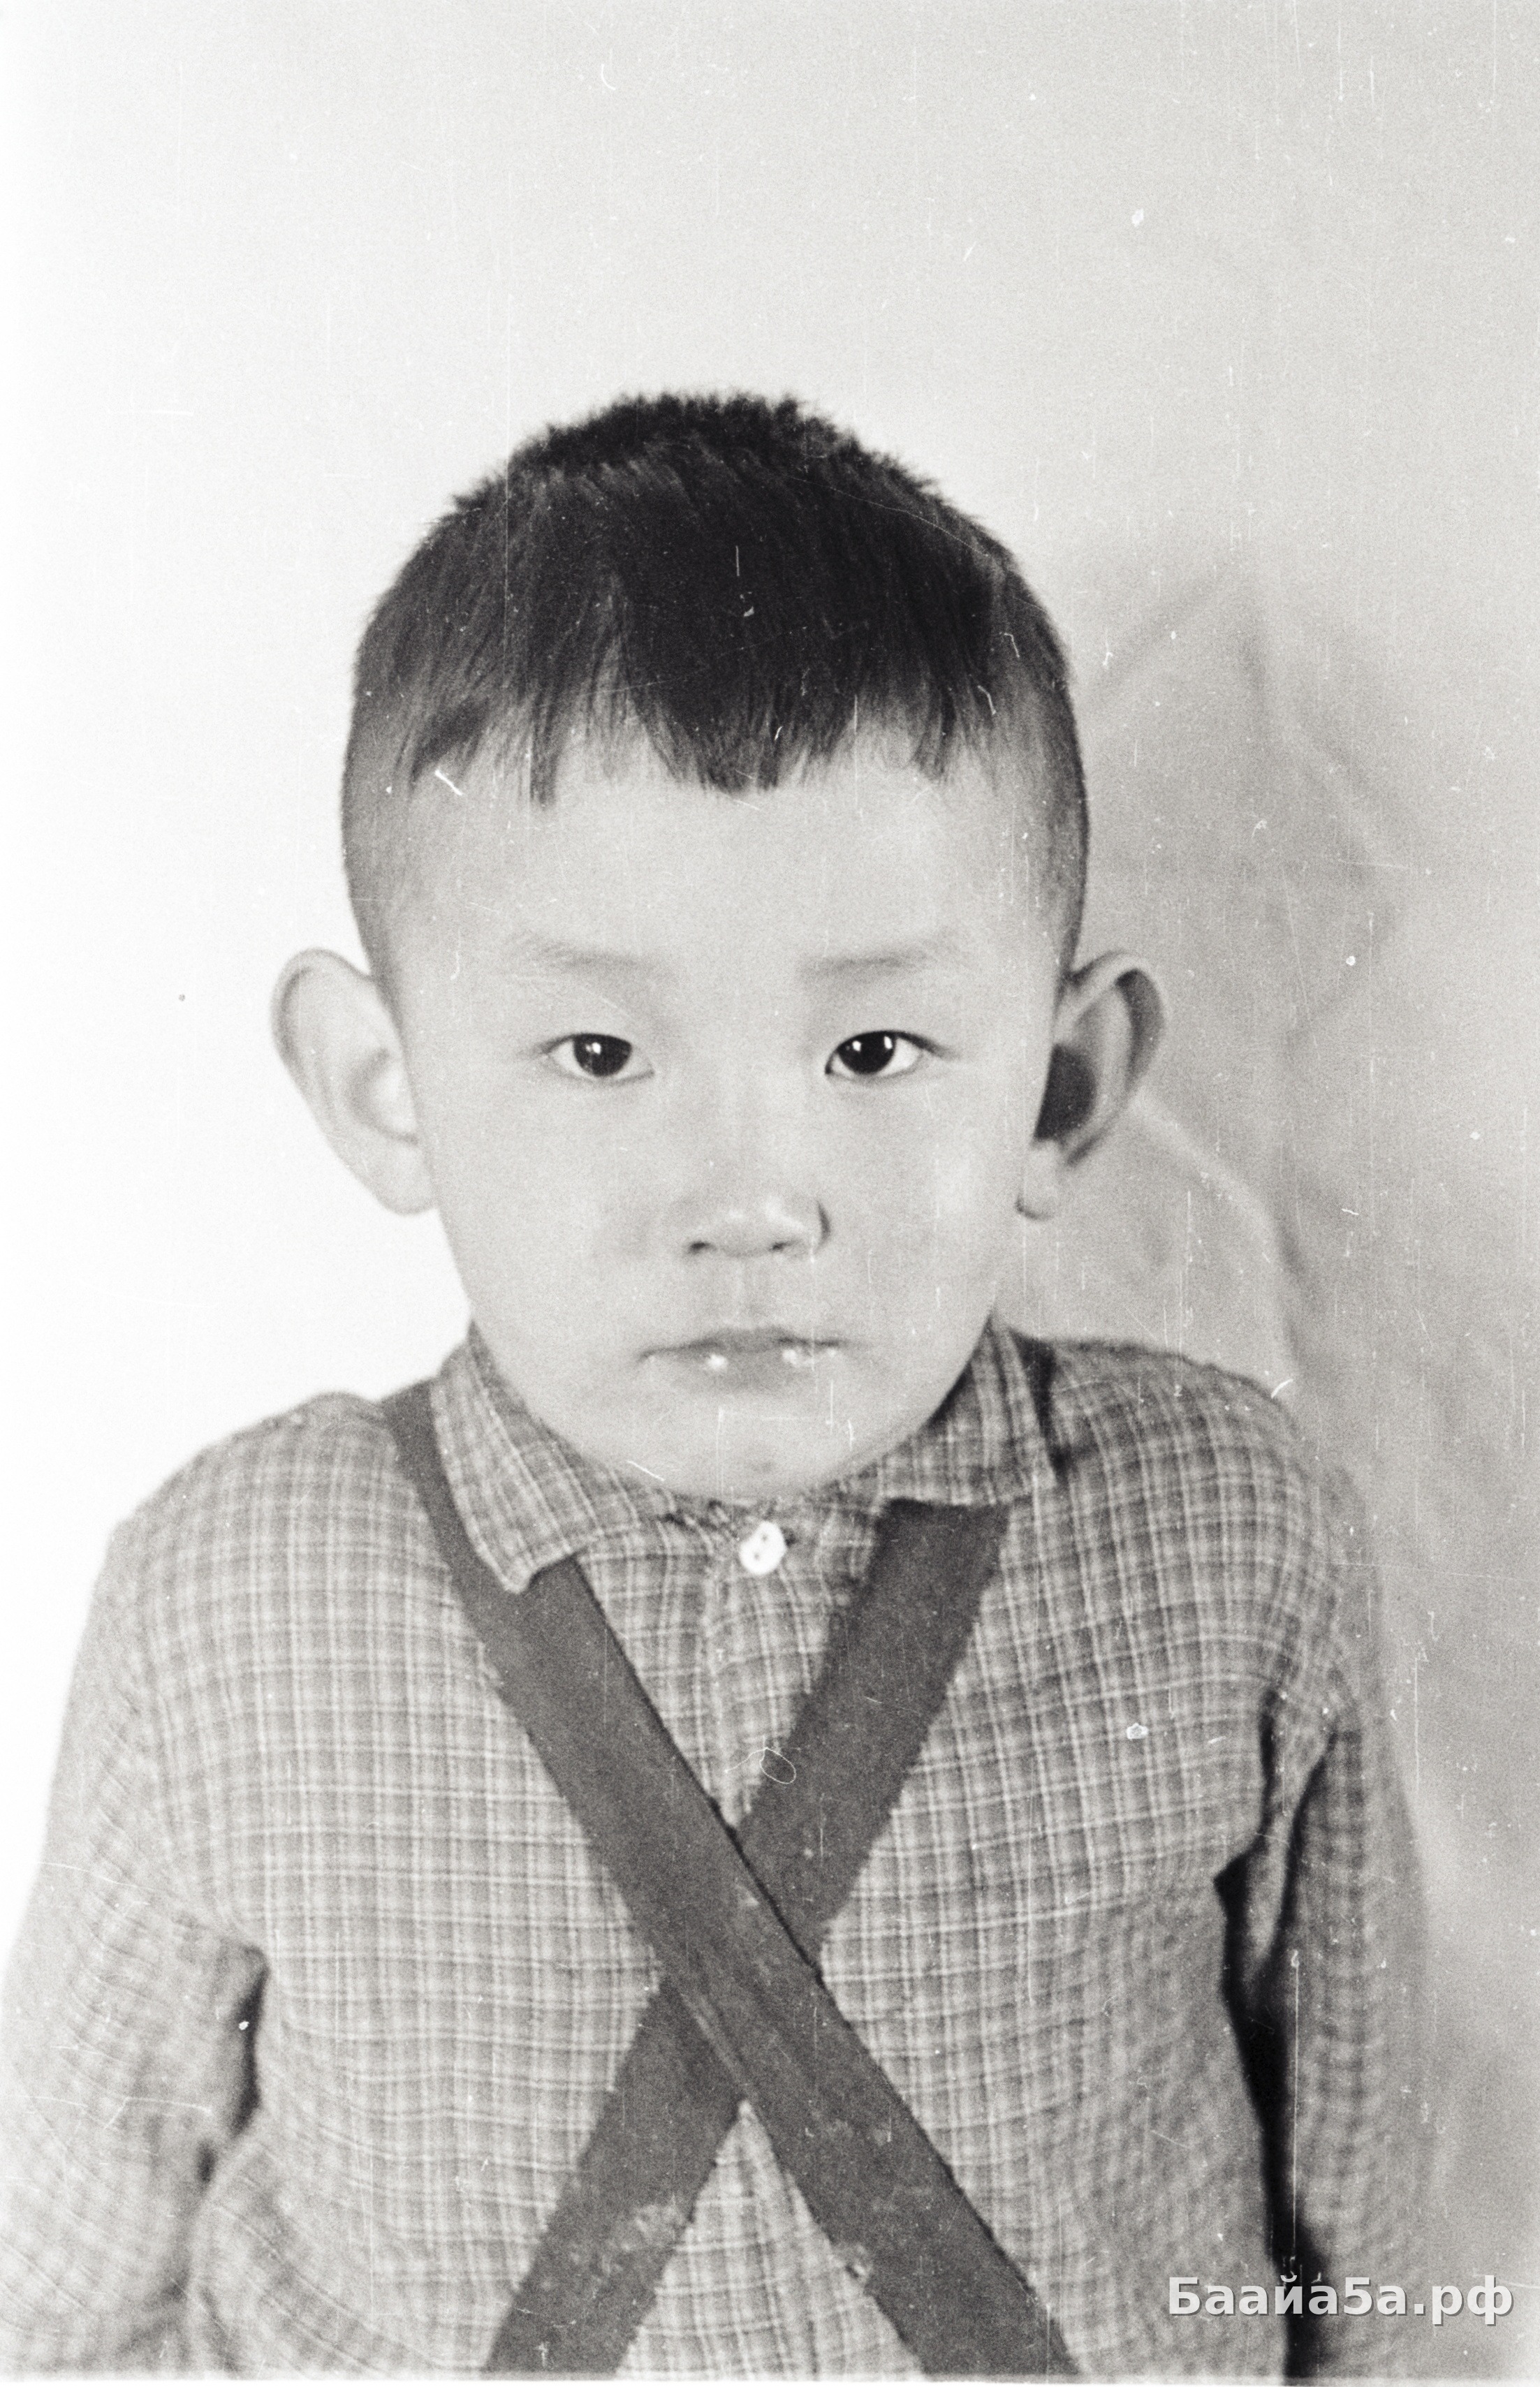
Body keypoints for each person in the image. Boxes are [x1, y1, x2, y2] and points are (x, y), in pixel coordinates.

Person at [0, 393, 1421, 2377]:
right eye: (599, 1054)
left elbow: (1359, 2221)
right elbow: (64, 2290)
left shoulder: (1230, 1529)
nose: (750, 1201)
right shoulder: (222, 1597)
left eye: (871, 1052)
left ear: (1060, 1088)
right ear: (383, 1087)